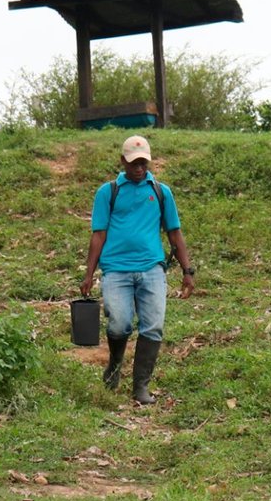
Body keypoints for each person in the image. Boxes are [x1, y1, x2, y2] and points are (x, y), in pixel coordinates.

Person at [81, 134, 195, 405]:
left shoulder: (160, 192)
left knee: (153, 326)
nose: (139, 168)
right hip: (116, 270)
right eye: (134, 163)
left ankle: (140, 387)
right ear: (122, 161)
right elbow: (98, 235)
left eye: (143, 162)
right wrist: (88, 274)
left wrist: (187, 271)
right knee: (119, 323)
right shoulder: (108, 192)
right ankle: (115, 365)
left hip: (151, 269)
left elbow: (174, 233)